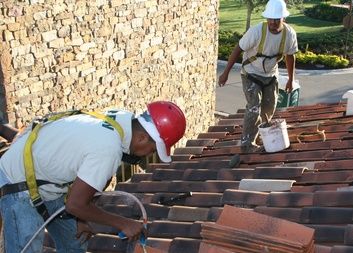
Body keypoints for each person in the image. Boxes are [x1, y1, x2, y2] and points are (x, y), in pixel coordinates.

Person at [0, 101, 186, 252]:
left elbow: (97, 182)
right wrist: (124, 223)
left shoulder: (121, 120)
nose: (147, 155)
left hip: (47, 179)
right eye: (152, 150)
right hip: (19, 181)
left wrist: (82, 219)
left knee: (75, 243)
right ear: (141, 138)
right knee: (26, 249)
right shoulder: (108, 148)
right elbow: (75, 204)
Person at [218, 0, 298, 152]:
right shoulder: (256, 32)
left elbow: (290, 57)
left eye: (277, 19)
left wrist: (290, 80)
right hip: (251, 73)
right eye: (270, 19)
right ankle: (247, 143)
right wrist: (225, 73)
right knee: (254, 107)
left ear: (283, 19)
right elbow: (237, 49)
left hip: (270, 74)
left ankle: (262, 134)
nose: (273, 22)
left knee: (269, 107)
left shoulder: (289, 35)